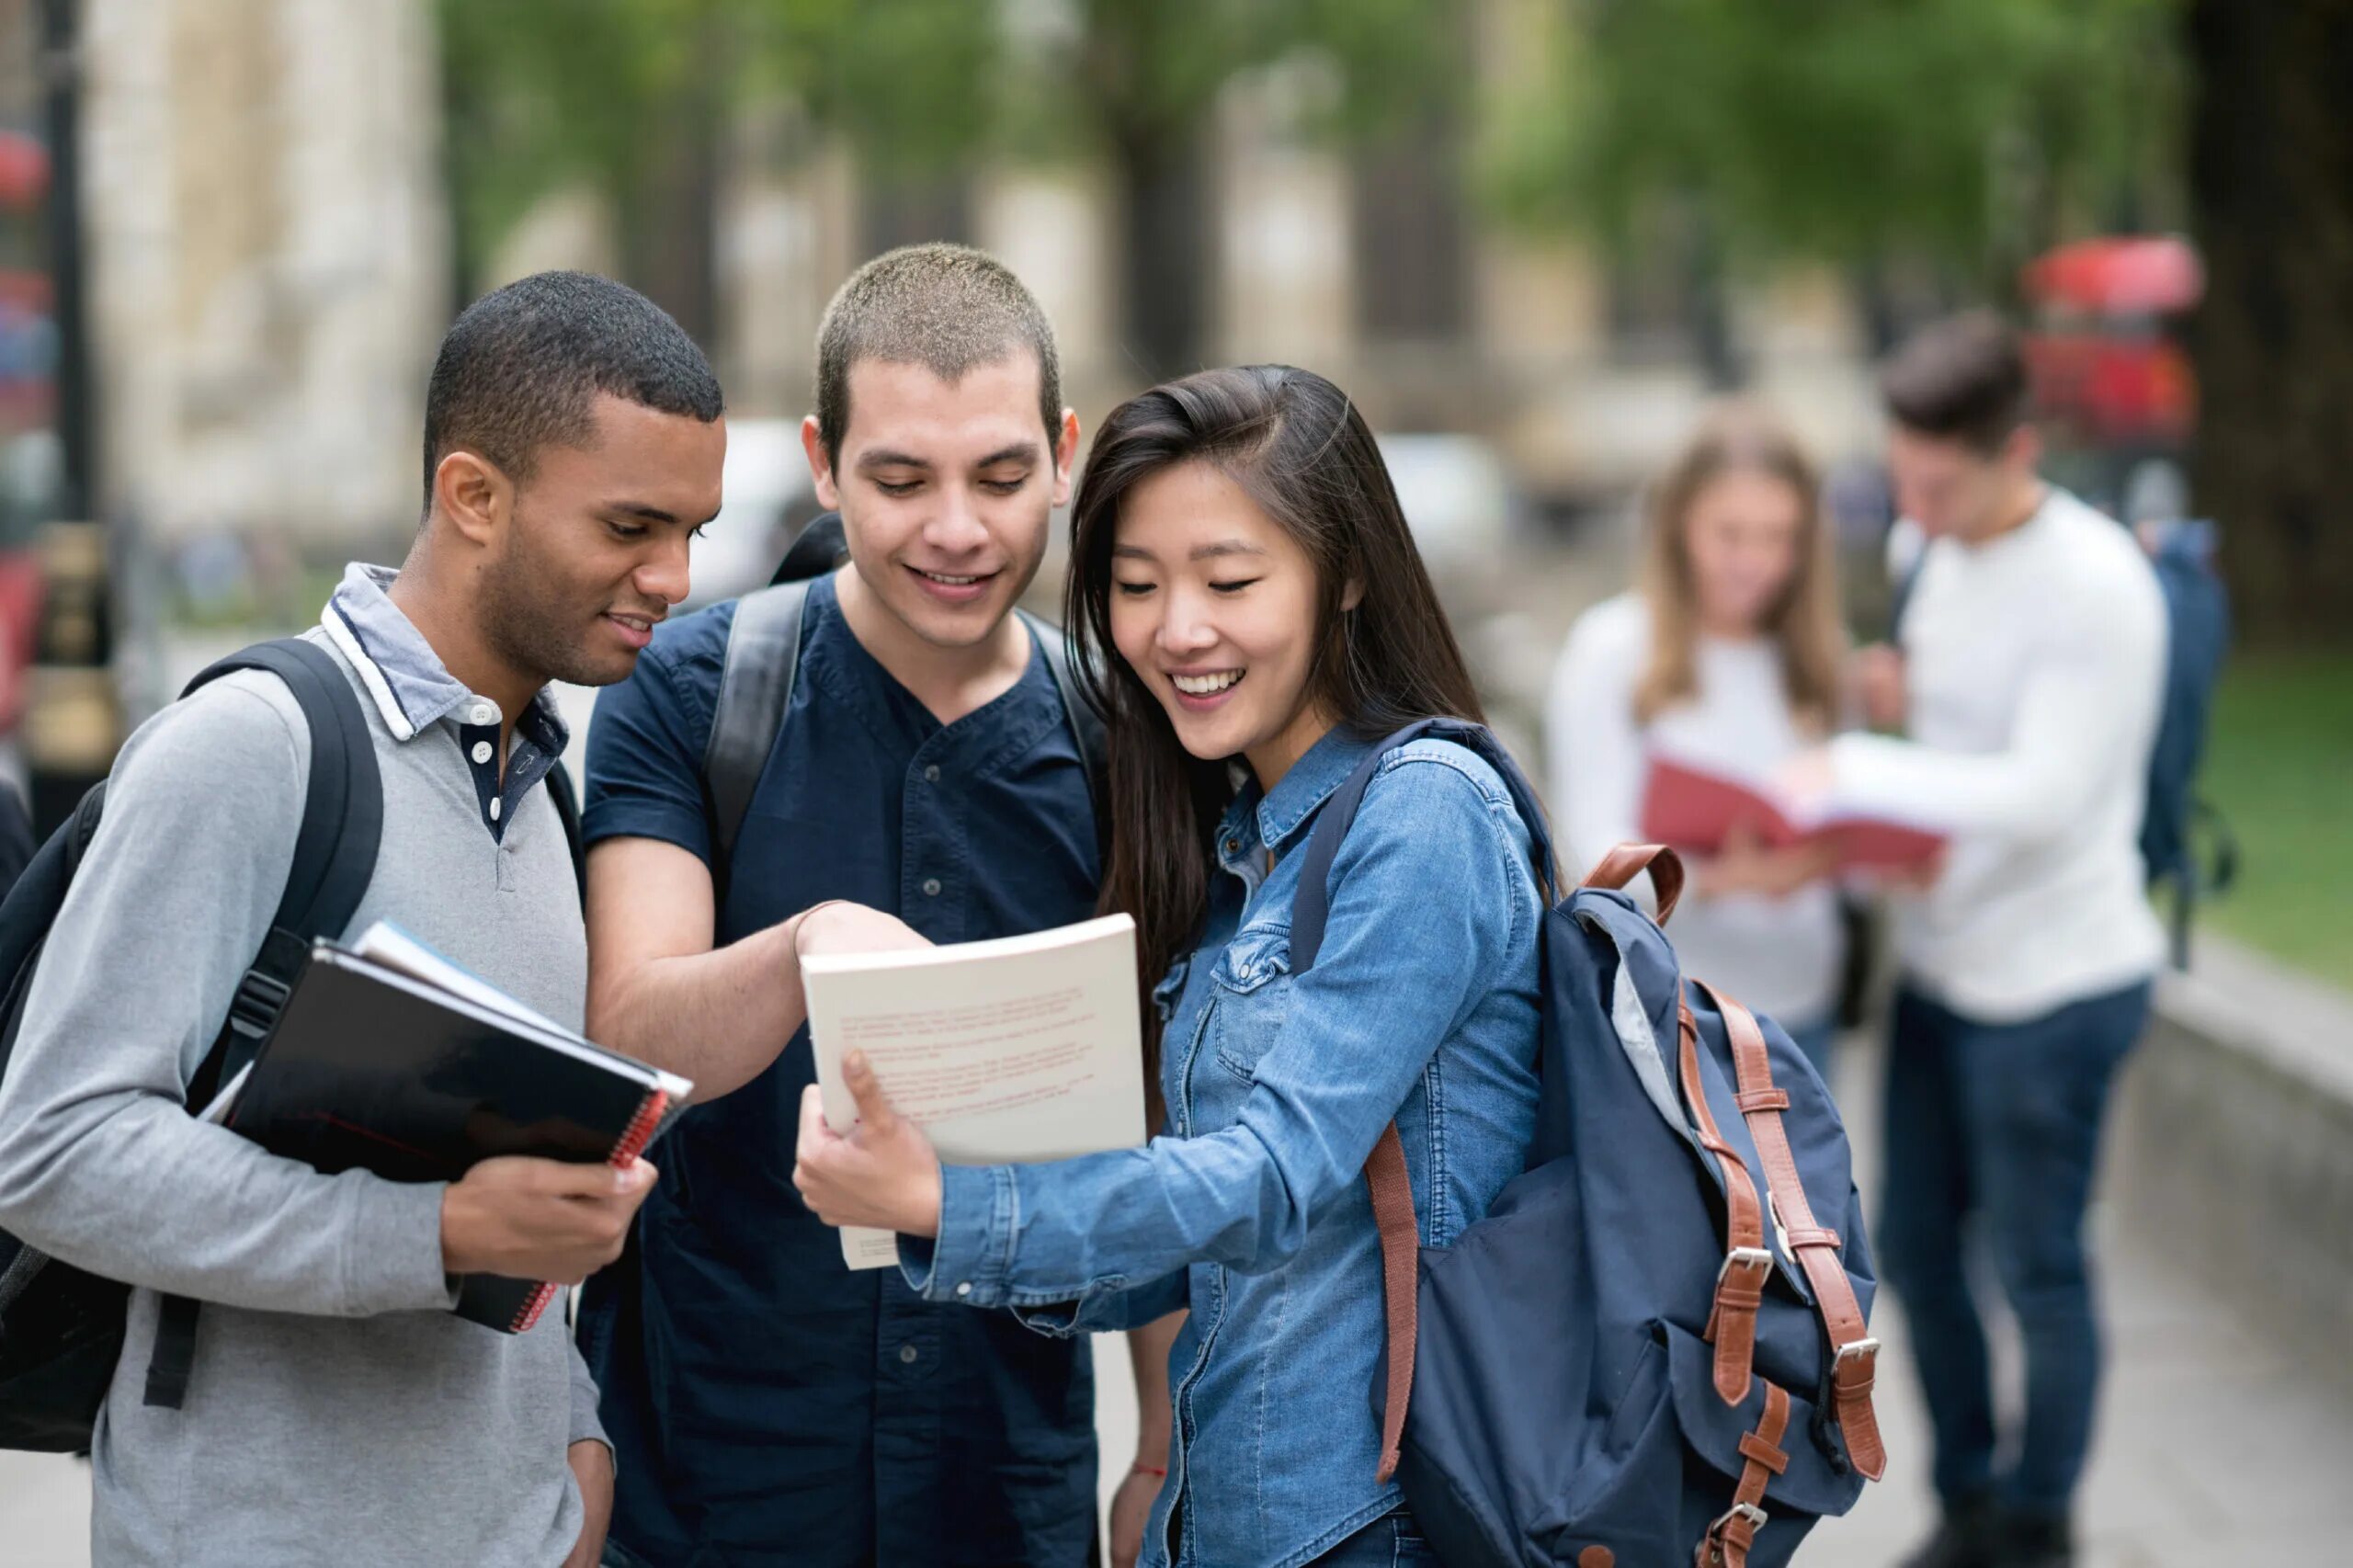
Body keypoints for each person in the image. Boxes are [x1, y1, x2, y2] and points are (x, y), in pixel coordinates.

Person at [0, 270, 724, 1566]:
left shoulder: (546, 800)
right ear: (474, 496)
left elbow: (530, 1206)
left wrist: (577, 1434)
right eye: (631, 525)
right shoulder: (251, 748)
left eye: (693, 532)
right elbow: (52, 1148)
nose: (671, 577)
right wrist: (431, 1235)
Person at [789, 364, 1547, 1568]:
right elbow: (1223, 1246)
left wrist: (950, 1200)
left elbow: (1270, 1181)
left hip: (1372, 1523)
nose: (1176, 629)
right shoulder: (1244, 836)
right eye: (1136, 586)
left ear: (1345, 572)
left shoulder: (1425, 816)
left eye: (1229, 579)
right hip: (1232, 1516)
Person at [578, 243, 1175, 1568]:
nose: (955, 529)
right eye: (901, 479)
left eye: (1003, 476)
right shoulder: (688, 694)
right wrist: (801, 948)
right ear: (824, 461)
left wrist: (1158, 1449)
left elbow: (1161, 1127)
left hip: (1005, 1480)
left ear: (1066, 453)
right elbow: (627, 1033)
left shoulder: (1129, 748)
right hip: (715, 1482)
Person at [1821, 312, 2168, 1568]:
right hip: (1942, 969)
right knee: (1913, 1245)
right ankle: (1967, 1498)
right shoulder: (1933, 543)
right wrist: (1893, 706)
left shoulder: (2097, 583)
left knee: (2039, 1266)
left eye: (1937, 480)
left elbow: (2046, 792)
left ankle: (2038, 1521)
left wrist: (1854, 769)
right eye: (1900, 474)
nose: (1910, 504)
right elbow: (1959, 742)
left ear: (2016, 446)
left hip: (2059, 983)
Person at [1546, 402, 1848, 1079]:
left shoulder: (1817, 659)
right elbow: (1588, 861)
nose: (1757, 562)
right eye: (1731, 535)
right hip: (1670, 1016)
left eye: (1780, 538)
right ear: (1680, 525)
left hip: (1801, 1011)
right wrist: (1717, 880)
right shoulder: (1613, 650)